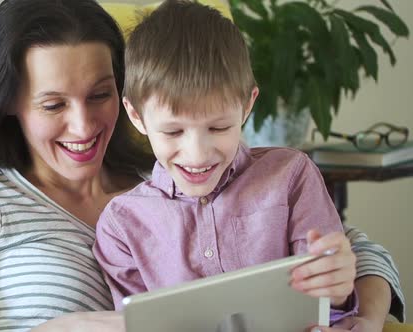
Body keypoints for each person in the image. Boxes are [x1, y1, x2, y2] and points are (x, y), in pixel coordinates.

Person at [0, 0, 405, 331]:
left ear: (128, 100)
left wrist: (364, 310)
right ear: (10, 103)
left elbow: (351, 249)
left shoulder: (175, 174)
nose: (83, 127)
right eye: (53, 105)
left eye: (99, 95)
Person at [93, 0, 358, 324]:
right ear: (136, 116)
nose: (197, 153)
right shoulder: (122, 226)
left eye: (218, 128)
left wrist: (338, 288)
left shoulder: (291, 177)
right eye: (173, 131)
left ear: (247, 106)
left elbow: (328, 306)